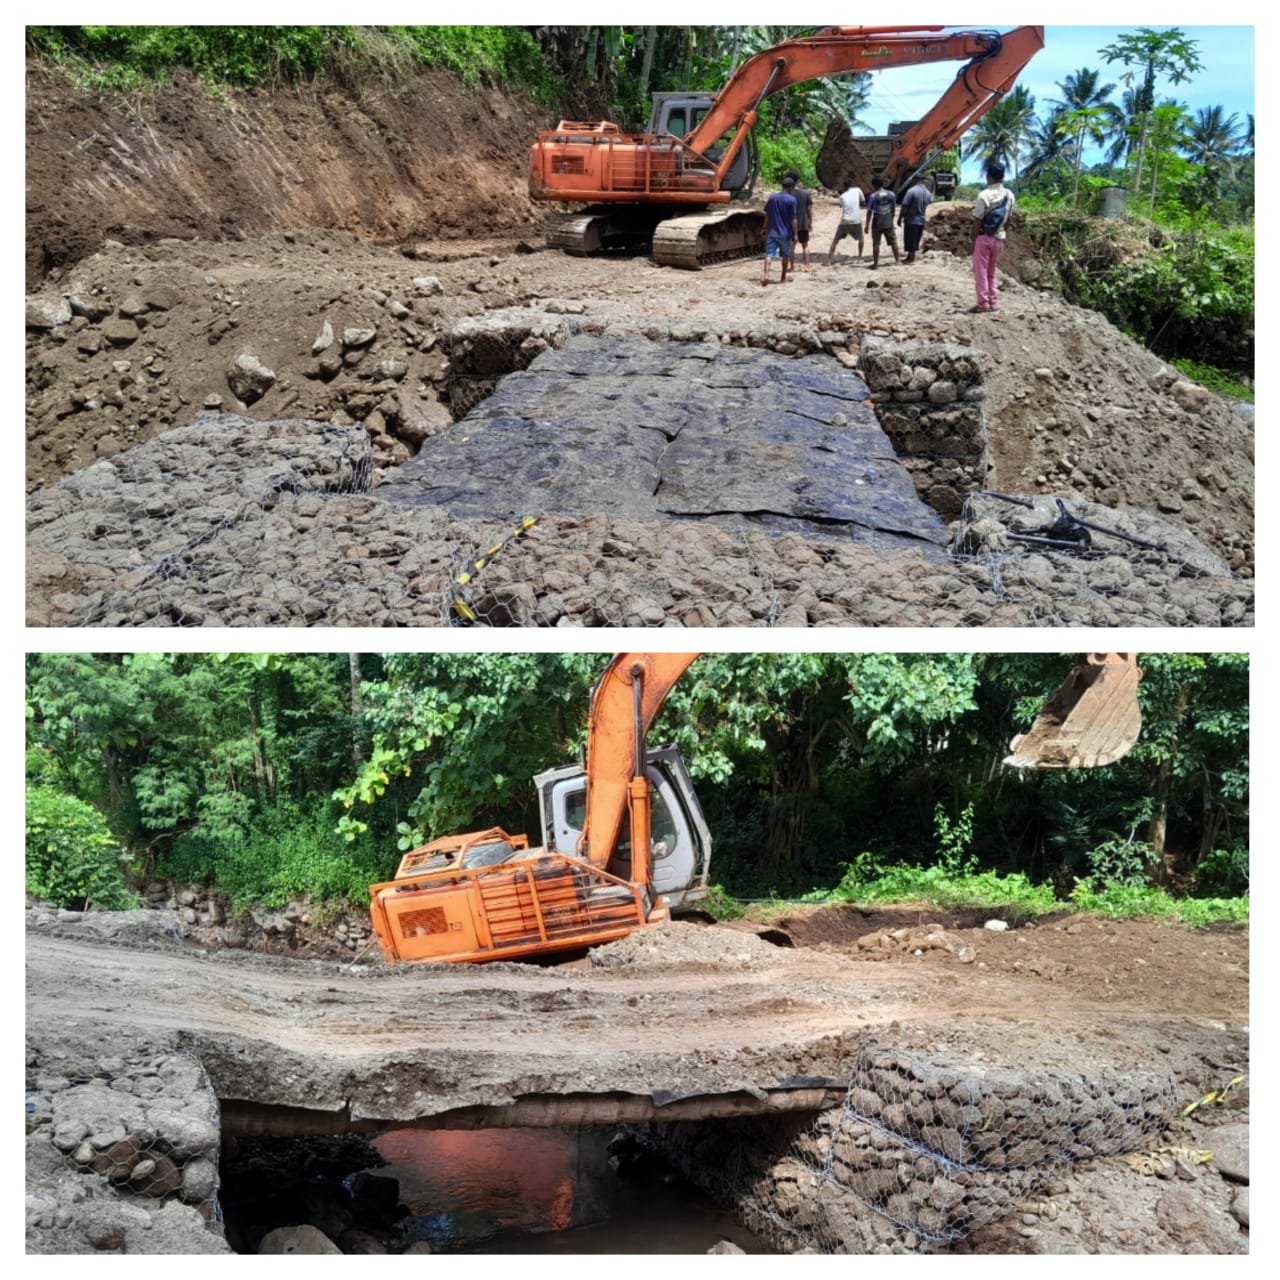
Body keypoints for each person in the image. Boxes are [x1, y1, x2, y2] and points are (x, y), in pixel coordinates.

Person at [971, 161, 1014, 312]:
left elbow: (977, 221)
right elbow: (1008, 220)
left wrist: (973, 239)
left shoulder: (984, 195)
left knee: (981, 272)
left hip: (984, 238)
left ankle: (983, 304)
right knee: (991, 272)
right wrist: (1002, 235)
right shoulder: (1009, 195)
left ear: (988, 176)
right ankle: (992, 302)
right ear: (1002, 176)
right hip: (999, 239)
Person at [762, 176, 798, 285]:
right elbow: (794, 219)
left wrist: (764, 228)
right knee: (785, 256)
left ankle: (766, 274)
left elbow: (767, 215)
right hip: (785, 234)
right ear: (792, 187)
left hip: (772, 233)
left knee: (769, 254)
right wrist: (795, 234)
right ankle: (782, 277)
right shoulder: (792, 200)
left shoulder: (773, 198)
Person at [826, 177, 865, 265]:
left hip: (845, 221)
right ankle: (859, 258)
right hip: (856, 220)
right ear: (852, 185)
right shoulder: (858, 190)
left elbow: (842, 206)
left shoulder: (842, 196)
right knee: (861, 239)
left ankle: (829, 260)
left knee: (835, 241)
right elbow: (863, 202)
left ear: (845, 187)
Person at [864, 175, 899, 268]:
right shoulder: (891, 194)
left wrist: (867, 225)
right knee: (893, 241)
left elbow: (869, 211)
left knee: (876, 243)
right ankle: (897, 261)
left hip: (877, 222)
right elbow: (893, 208)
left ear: (874, 185)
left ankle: (875, 264)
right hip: (888, 221)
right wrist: (891, 219)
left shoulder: (873, 196)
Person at [784, 169, 815, 272]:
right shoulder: (806, 194)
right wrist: (810, 222)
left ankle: (791, 267)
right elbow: (809, 209)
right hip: (803, 223)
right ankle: (807, 266)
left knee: (791, 246)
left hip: (791, 225)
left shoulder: (787, 195)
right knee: (805, 245)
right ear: (797, 181)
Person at [898, 173, 931, 264]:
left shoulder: (912, 191)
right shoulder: (927, 192)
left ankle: (911, 259)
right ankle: (909, 256)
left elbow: (905, 205)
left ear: (915, 180)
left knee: (910, 239)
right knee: (915, 239)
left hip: (912, 219)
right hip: (921, 219)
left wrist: (900, 218)